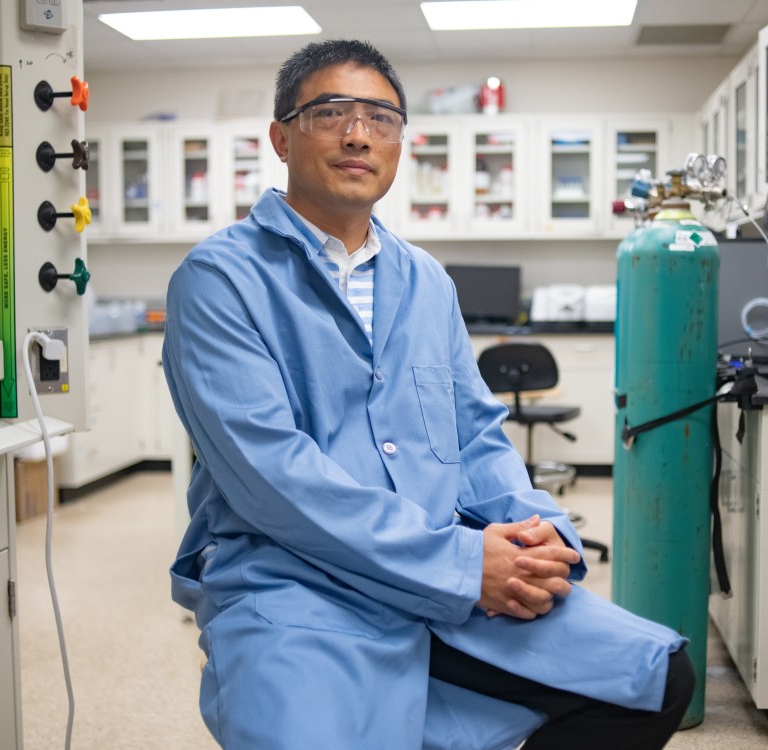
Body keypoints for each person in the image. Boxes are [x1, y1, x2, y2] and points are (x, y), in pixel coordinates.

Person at [162, 39, 694, 750]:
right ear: (281, 138)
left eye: (381, 117)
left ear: (400, 144)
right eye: (331, 113)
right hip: (294, 582)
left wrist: (542, 536)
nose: (358, 134)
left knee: (658, 677)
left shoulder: (424, 282)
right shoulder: (219, 281)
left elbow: (473, 435)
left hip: (446, 569)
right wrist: (464, 565)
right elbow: (274, 480)